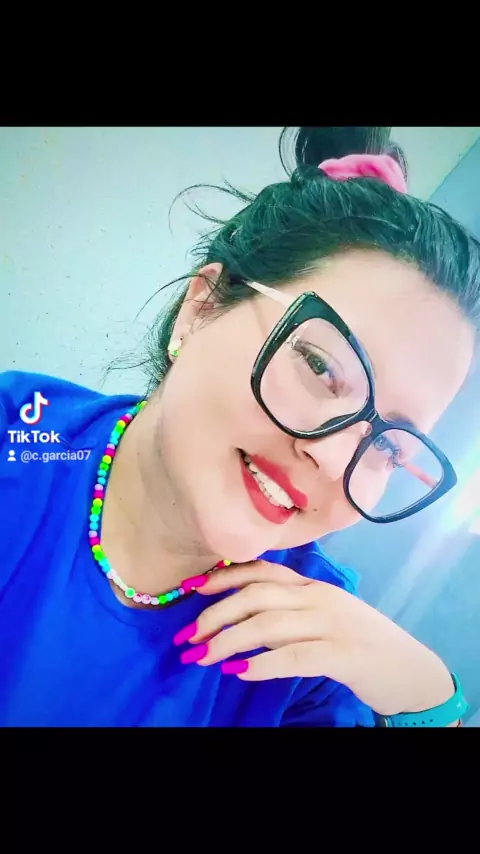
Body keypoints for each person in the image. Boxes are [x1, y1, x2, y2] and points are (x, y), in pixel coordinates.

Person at [0, 126, 477, 727]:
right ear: (200, 308)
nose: (335, 461)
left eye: (386, 444)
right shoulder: (20, 437)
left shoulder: (310, 659)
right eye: (321, 367)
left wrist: (428, 698)